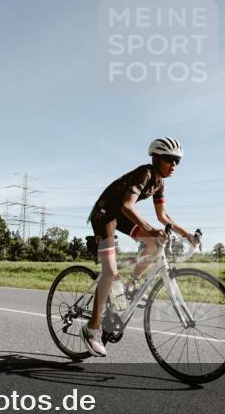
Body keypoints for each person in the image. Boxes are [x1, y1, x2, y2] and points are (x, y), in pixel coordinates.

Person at [82, 137, 197, 357]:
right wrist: (150, 228)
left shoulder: (160, 183)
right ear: (155, 157)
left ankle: (131, 284)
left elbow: (162, 216)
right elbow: (127, 205)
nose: (173, 165)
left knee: (155, 243)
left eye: (177, 161)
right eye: (169, 159)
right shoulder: (145, 173)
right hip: (105, 214)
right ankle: (91, 328)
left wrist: (186, 234)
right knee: (110, 272)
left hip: (122, 215)